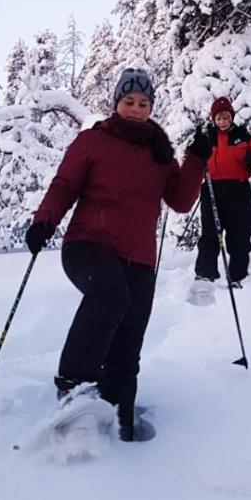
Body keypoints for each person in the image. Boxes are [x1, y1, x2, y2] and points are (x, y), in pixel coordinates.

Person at [24, 68, 207, 442]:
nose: (136, 109)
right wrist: (45, 221)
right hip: (89, 245)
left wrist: (196, 160)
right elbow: (64, 185)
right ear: (116, 103)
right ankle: (73, 383)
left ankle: (120, 410)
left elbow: (181, 200)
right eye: (129, 102)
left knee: (131, 329)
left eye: (143, 103)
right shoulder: (94, 141)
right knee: (111, 296)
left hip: (139, 257)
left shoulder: (160, 151)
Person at [194, 97, 251, 287]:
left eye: (226, 117)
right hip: (212, 189)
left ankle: (238, 274)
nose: (222, 122)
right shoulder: (207, 137)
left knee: (239, 234)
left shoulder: (243, 137)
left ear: (231, 117)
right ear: (214, 119)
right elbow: (192, 162)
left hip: (238, 190)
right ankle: (205, 273)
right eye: (218, 118)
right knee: (210, 233)